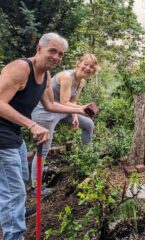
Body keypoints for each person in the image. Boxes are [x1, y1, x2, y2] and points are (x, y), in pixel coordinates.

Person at [0, 32, 88, 240]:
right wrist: (31, 125)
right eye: (52, 51)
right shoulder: (21, 68)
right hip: (2, 138)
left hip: (13, 134)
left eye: (60, 54)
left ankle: (13, 213)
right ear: (39, 49)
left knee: (18, 183)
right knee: (13, 193)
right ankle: (14, 234)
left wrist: (81, 109)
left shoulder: (46, 75)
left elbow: (49, 105)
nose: (57, 57)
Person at [30, 53, 99, 193]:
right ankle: (35, 187)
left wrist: (74, 116)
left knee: (88, 124)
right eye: (85, 64)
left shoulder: (82, 81)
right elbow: (64, 102)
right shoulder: (67, 77)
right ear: (78, 63)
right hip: (45, 111)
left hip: (61, 110)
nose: (87, 68)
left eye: (91, 67)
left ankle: (88, 161)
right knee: (44, 148)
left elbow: (72, 101)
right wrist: (81, 109)